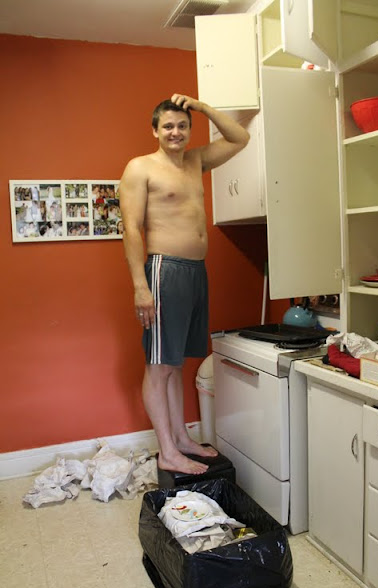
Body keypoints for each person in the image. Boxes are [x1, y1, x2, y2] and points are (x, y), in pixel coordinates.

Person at [120, 93, 249, 475]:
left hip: (195, 271)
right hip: (165, 271)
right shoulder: (141, 168)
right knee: (160, 365)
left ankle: (180, 439)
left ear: (190, 129)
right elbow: (130, 229)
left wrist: (203, 107)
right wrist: (140, 286)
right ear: (155, 130)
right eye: (168, 126)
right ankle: (167, 451)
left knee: (174, 364)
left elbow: (240, 137)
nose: (175, 132)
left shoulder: (195, 161)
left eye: (182, 125)